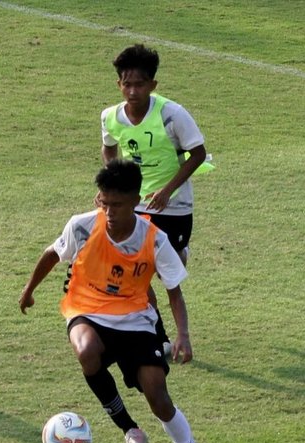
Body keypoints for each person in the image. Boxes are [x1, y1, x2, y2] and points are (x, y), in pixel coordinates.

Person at [19, 159, 214, 443]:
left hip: (136, 320)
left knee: (158, 397)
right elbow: (52, 253)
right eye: (104, 202)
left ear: (135, 201)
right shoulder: (82, 226)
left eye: (118, 205)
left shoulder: (154, 240)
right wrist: (28, 290)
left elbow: (174, 292)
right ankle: (129, 429)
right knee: (86, 350)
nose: (109, 212)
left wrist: (183, 335)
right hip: (86, 309)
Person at [100, 43, 213, 352]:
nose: (133, 91)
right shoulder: (111, 117)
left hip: (174, 206)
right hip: (136, 205)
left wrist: (166, 190)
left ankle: (180, 252)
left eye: (139, 84)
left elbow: (198, 154)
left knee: (168, 272)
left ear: (153, 85)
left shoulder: (172, 115)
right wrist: (112, 186)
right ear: (119, 84)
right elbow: (109, 148)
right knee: (140, 272)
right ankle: (160, 336)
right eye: (127, 84)